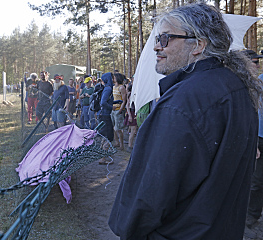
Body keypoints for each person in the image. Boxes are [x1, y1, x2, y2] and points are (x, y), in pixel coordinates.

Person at [109, 3, 263, 240]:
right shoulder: (236, 87)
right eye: (158, 39)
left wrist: (129, 230)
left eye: (166, 38)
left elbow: (149, 195)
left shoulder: (182, 103)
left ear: (198, 45)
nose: (157, 47)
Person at [244, 50, 263, 233]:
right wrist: (254, 142)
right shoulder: (256, 83)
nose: (258, 65)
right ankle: (250, 217)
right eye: (255, 62)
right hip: (258, 137)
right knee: (256, 181)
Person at [97, 72, 114, 165]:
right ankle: (102, 159)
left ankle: (102, 156)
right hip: (105, 115)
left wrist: (117, 102)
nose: (114, 78)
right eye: (112, 77)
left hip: (103, 115)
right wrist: (112, 107)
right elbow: (103, 103)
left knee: (105, 136)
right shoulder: (108, 89)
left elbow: (106, 101)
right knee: (109, 137)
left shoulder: (106, 88)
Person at [111, 72, 127, 150]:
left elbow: (124, 99)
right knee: (113, 127)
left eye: (114, 77)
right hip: (113, 110)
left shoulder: (122, 87)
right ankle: (116, 142)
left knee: (119, 128)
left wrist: (121, 109)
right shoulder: (113, 87)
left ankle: (122, 145)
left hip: (118, 110)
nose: (113, 79)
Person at [123, 84, 137, 153]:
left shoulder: (133, 94)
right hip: (132, 113)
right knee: (133, 131)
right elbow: (127, 105)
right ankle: (130, 146)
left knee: (133, 131)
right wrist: (130, 116)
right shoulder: (131, 95)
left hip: (133, 113)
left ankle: (130, 145)